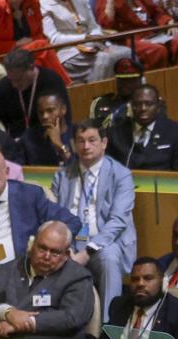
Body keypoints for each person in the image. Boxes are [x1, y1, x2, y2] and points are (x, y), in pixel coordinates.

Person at [50, 117, 135, 315]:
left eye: (92, 140)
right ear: (74, 144)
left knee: (109, 258)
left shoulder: (121, 175)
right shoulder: (62, 175)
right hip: (70, 244)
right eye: (80, 141)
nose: (86, 146)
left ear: (104, 143)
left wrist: (88, 251)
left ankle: (108, 324)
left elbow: (118, 221)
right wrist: (66, 249)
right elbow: (53, 215)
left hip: (105, 243)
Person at [0, 219, 95, 339]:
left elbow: (72, 317)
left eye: (54, 253)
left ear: (66, 255)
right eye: (42, 249)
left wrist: (25, 323)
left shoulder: (78, 277)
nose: (46, 256)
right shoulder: (6, 270)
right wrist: (8, 313)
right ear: (31, 245)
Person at [97, 256, 178, 339]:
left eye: (148, 278)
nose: (140, 284)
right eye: (135, 279)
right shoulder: (119, 305)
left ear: (162, 282)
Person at [39, 0, 129, 85]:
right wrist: (85, 38)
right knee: (105, 58)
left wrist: (96, 39)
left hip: (93, 44)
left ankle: (123, 93)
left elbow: (94, 27)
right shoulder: (44, 4)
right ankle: (97, 92)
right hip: (69, 51)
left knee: (126, 52)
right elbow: (54, 39)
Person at [108, 83, 178, 171]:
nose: (143, 108)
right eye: (137, 104)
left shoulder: (176, 132)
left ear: (158, 106)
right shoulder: (115, 133)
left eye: (149, 104)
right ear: (131, 106)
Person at [0, 47, 70, 135]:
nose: (14, 85)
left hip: (47, 136)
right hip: (16, 140)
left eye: (19, 79)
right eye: (11, 79)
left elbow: (65, 118)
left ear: (31, 67)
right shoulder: (3, 86)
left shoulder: (51, 80)